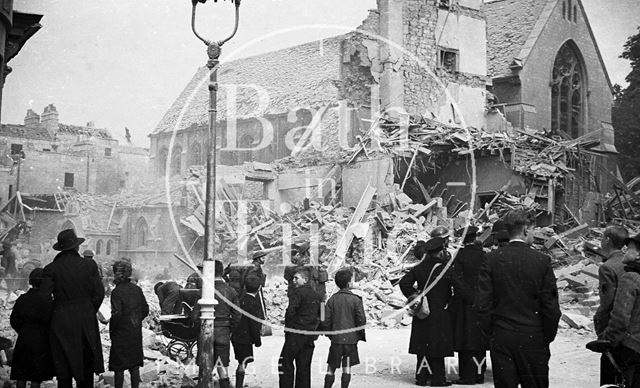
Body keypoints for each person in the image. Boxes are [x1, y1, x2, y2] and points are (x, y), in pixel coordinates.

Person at [475, 210, 561, 388]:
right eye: (533, 230)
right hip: (534, 337)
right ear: (526, 230)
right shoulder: (542, 261)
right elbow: (551, 307)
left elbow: (482, 305)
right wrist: (545, 337)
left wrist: (493, 334)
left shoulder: (491, 260)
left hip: (502, 337)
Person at [42, 229, 105, 388]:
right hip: (85, 321)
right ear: (76, 247)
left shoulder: (51, 269)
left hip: (60, 322)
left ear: (61, 249)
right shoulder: (89, 265)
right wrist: (89, 310)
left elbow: (44, 298)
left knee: (64, 371)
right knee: (86, 370)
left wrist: (55, 313)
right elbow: (99, 293)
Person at [399, 237, 455, 387]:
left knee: (423, 345)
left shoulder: (419, 267)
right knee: (437, 346)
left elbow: (404, 283)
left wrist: (415, 296)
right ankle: (438, 379)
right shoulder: (445, 268)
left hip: (422, 311)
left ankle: (421, 378)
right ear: (441, 251)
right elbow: (456, 288)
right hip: (440, 311)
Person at [599, 232, 640, 387]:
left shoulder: (631, 278)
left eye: (629, 248)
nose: (624, 249)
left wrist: (606, 341)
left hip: (630, 350)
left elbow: (620, 320)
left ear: (638, 255)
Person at [192, 260, 240, 388]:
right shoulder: (231, 291)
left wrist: (199, 327)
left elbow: (195, 316)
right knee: (222, 367)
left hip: (206, 332)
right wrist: (229, 330)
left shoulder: (204, 290)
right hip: (223, 332)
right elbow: (237, 315)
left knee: (205, 368)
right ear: (222, 272)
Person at [452, 226, 489, 385]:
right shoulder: (484, 256)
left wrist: (467, 296)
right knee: (479, 340)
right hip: (482, 302)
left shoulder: (459, 256)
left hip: (464, 303)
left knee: (465, 340)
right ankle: (479, 374)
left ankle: (467, 376)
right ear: (475, 238)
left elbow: (455, 279)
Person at [593, 225, 629, 385]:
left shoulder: (608, 267)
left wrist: (599, 325)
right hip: (632, 329)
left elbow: (607, 303)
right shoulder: (629, 262)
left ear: (607, 240)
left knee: (610, 375)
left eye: (602, 237)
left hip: (613, 329)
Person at [321, 268, 366, 388]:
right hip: (350, 340)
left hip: (336, 340)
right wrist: (357, 334)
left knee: (331, 367)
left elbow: (325, 321)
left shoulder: (331, 300)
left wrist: (330, 334)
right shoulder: (356, 300)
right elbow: (362, 320)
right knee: (347, 367)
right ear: (349, 283)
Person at [10, 268, 54, 388]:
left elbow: (13, 320)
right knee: (36, 376)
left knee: (21, 375)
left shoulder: (22, 299)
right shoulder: (47, 301)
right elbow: (51, 321)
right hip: (41, 341)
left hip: (23, 339)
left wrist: (24, 330)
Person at [278, 267, 322, 388]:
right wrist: (317, 331)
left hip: (296, 333)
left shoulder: (297, 293)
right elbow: (323, 315)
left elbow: (290, 312)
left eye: (297, 278)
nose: (293, 280)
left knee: (285, 363)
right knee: (304, 366)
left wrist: (288, 330)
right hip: (309, 335)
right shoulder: (318, 295)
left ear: (305, 279)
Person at [108, 260, 149, 388]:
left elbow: (116, 314)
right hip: (135, 332)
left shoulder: (116, 292)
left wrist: (112, 330)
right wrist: (135, 320)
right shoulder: (137, 289)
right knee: (134, 366)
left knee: (119, 367)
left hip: (120, 333)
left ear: (116, 273)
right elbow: (145, 309)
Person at [231, 275, 263, 388]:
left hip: (236, 335)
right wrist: (257, 340)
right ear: (259, 288)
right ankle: (238, 385)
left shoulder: (240, 300)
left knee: (241, 361)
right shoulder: (254, 303)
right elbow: (254, 324)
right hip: (245, 338)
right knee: (243, 363)